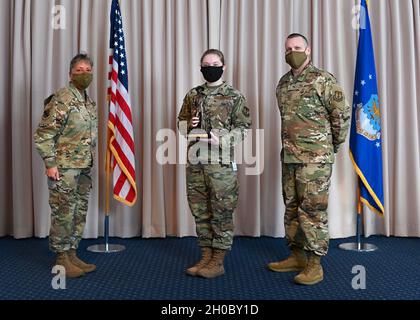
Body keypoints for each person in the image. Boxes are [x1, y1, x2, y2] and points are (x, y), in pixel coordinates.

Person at [268, 34, 351, 285]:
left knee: (312, 211)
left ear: (308, 50)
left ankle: (315, 264)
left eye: (297, 48)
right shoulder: (283, 84)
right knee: (292, 208)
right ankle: (296, 256)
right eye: (288, 48)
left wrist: (330, 146)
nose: (292, 52)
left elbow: (342, 116)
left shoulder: (323, 80)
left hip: (315, 159)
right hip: (290, 157)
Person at [178, 49, 252, 278]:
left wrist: (222, 139)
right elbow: (181, 126)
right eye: (206, 64)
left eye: (215, 63)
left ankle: (218, 261)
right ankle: (205, 257)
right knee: (200, 211)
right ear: (200, 67)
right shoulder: (193, 95)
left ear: (224, 66)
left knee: (221, 211)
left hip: (220, 165)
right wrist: (190, 124)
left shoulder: (234, 96)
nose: (211, 67)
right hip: (196, 163)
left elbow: (244, 127)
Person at [34, 53, 98, 278]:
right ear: (70, 74)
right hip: (64, 168)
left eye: (87, 69)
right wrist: (50, 163)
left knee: (78, 211)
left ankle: (72, 253)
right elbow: (44, 134)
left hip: (83, 167)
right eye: (79, 70)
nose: (84, 74)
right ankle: (61, 259)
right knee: (63, 212)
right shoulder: (62, 98)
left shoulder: (88, 101)